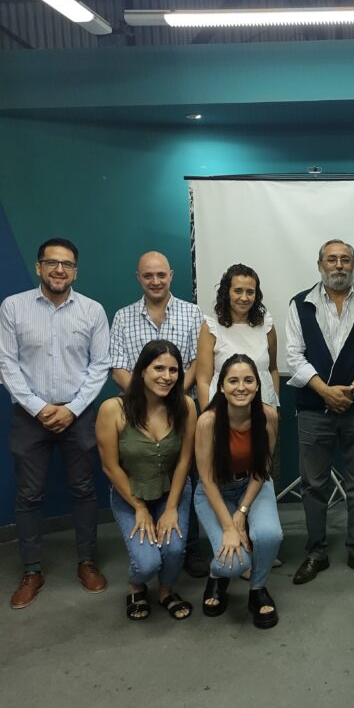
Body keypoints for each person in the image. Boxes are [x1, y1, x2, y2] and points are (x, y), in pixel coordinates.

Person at [0, 237, 110, 610]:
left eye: (67, 264)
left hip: (79, 415)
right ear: (39, 267)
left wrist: (72, 409)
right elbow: (6, 362)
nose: (60, 270)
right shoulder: (13, 307)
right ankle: (32, 570)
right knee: (29, 495)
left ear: (75, 270)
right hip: (30, 417)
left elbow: (100, 365)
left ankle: (87, 561)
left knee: (84, 489)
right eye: (52, 263)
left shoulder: (92, 311)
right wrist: (38, 408)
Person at [285, 239, 354, 584]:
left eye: (345, 259)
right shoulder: (300, 304)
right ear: (320, 265)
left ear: (353, 265)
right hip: (314, 409)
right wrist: (325, 391)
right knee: (313, 485)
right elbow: (294, 356)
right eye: (332, 259)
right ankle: (316, 553)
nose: (339, 265)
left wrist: (352, 391)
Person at [109, 251, 207, 578]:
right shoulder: (123, 317)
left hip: (180, 411)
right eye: (148, 275)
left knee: (184, 474)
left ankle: (188, 547)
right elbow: (118, 366)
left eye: (161, 275)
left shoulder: (193, 313)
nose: (155, 281)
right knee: (144, 472)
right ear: (138, 277)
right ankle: (146, 536)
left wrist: (172, 395)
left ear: (171, 276)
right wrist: (146, 396)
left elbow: (197, 362)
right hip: (137, 414)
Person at [96, 341, 197, 621]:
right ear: (142, 370)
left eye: (173, 370)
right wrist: (139, 507)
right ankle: (136, 585)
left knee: (174, 550)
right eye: (159, 368)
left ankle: (166, 591)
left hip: (171, 491)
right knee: (147, 562)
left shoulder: (186, 406)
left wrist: (172, 507)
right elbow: (110, 466)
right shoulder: (112, 409)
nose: (167, 376)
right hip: (130, 493)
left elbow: (185, 460)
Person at [194, 355, 283, 628]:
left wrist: (242, 512)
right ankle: (216, 576)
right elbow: (207, 480)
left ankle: (257, 589)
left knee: (269, 535)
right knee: (233, 563)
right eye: (233, 381)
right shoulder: (208, 421)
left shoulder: (268, 416)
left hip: (254, 485)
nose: (241, 387)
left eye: (248, 380)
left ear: (258, 386)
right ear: (221, 387)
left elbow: (263, 468)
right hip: (215, 490)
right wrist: (229, 526)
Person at [195, 263, 280, 410]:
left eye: (250, 292)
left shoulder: (266, 325)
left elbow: (273, 370)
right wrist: (207, 415)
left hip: (263, 410)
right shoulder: (211, 327)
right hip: (221, 411)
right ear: (226, 292)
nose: (244, 298)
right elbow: (203, 380)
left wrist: (275, 408)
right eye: (238, 291)